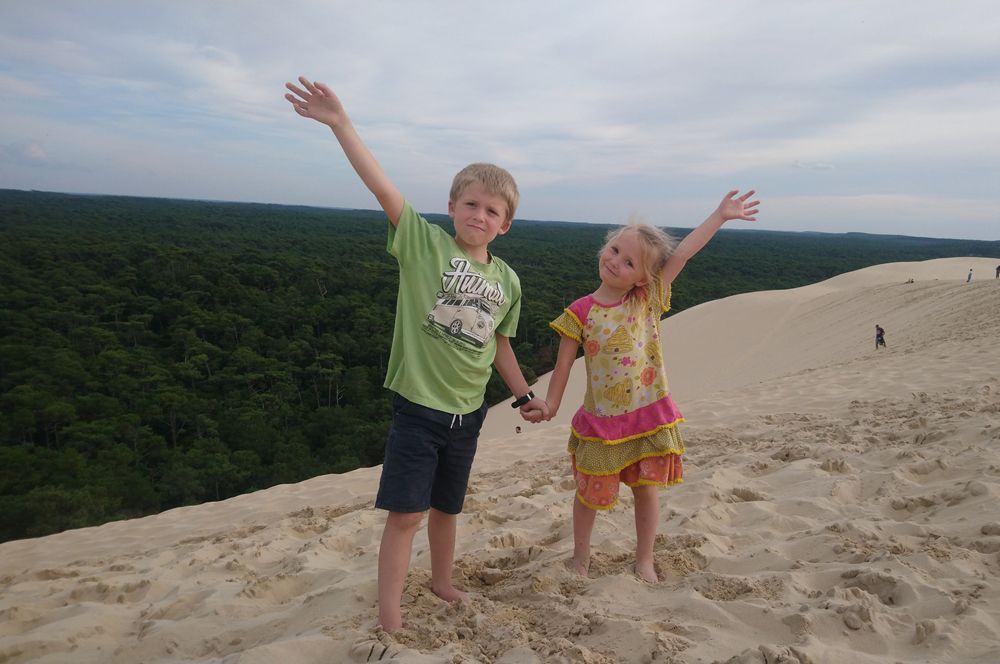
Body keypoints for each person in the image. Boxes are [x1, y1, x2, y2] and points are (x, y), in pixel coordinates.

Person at [285, 76, 547, 632]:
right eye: (471, 204)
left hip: (468, 414)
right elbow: (383, 189)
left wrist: (525, 395)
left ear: (505, 225)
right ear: (451, 206)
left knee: (447, 510)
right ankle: (390, 616)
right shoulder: (424, 244)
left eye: (492, 210)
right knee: (406, 515)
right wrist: (341, 124)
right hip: (419, 409)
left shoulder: (508, 281)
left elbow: (498, 344)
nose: (479, 215)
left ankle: (442, 582)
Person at [531, 191, 759, 582]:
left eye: (629, 262)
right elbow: (563, 365)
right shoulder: (579, 312)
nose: (615, 261)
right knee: (588, 494)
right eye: (615, 250)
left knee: (645, 489)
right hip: (602, 423)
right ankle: (581, 558)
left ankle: (645, 560)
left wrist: (719, 216)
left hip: (647, 417)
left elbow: (682, 253)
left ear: (643, 278)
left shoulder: (646, 300)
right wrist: (550, 404)